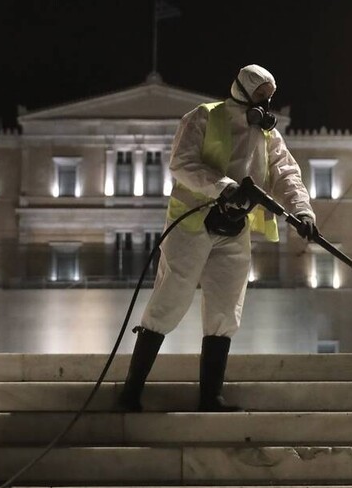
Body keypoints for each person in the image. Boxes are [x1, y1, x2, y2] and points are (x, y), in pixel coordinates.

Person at [118, 64, 320, 412]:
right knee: (169, 300)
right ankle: (131, 392)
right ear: (242, 90)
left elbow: (287, 174)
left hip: (235, 228)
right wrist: (224, 187)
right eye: (261, 96)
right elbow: (182, 163)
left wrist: (302, 212)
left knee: (226, 308)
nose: (266, 104)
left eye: (270, 98)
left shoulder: (268, 135)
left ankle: (211, 397)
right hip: (192, 224)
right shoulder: (202, 118)